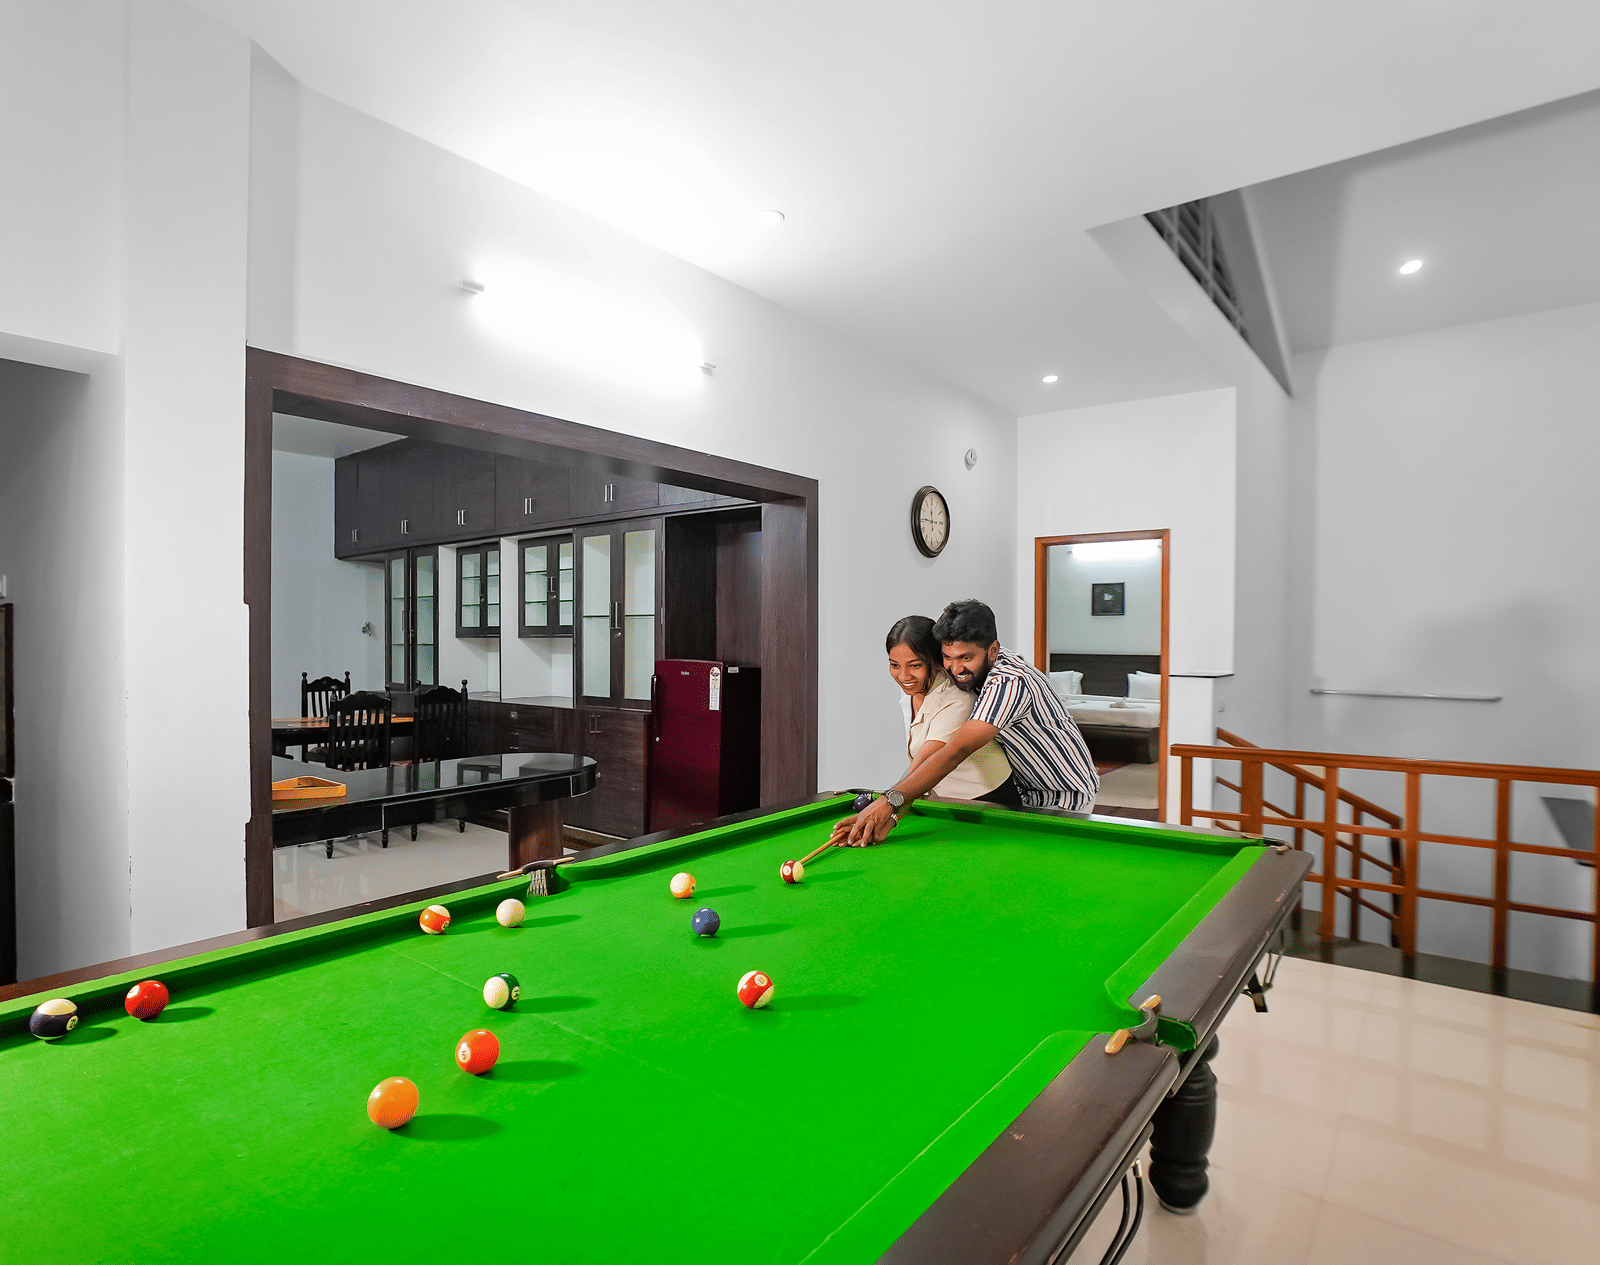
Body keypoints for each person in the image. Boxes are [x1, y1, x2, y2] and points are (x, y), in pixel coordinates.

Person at [837, 599, 1100, 845]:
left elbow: (956, 749)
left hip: (1065, 794)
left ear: (993, 650)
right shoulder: (967, 672)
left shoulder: (1009, 682)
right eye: (948, 657)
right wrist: (894, 812)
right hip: (1025, 788)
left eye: (966, 658)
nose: (955, 669)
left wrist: (890, 802)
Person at [883, 615, 1017, 805]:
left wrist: (888, 802)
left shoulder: (957, 699)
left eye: (915, 665)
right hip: (944, 798)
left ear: (936, 661)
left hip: (990, 801)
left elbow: (924, 762)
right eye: (894, 665)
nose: (903, 675)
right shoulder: (914, 687)